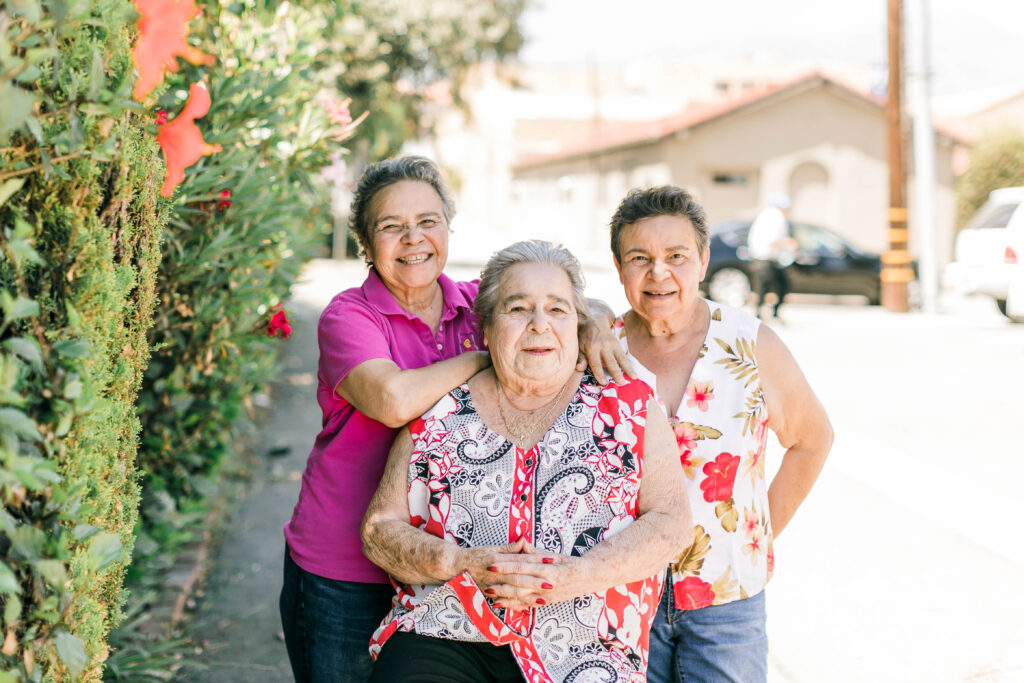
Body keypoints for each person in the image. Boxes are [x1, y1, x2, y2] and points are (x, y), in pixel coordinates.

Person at [279, 158, 634, 683]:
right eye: (391, 227)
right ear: (364, 242)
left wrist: (596, 322)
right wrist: (486, 354)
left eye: (428, 221)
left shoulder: (472, 303)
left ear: (448, 225)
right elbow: (395, 399)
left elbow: (557, 298)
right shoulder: (348, 316)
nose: (413, 239)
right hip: (345, 567)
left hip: (434, 568)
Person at [361, 240, 694, 683]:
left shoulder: (628, 406)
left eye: (557, 310)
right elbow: (380, 529)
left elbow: (671, 521)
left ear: (579, 326)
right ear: (485, 328)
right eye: (518, 309)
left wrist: (577, 575)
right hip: (449, 630)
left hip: (586, 646)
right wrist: (458, 563)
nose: (540, 325)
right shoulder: (439, 411)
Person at [607, 186, 833, 683]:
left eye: (676, 256)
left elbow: (812, 439)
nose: (658, 272)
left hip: (726, 604)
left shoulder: (750, 343)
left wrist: (757, 534)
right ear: (620, 268)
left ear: (704, 260)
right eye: (639, 258)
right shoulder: (603, 350)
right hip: (620, 598)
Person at [746, 193, 796, 319]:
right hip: (766, 258)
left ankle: (761, 313)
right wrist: (789, 243)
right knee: (776, 285)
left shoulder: (765, 214)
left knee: (764, 286)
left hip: (760, 257)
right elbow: (773, 239)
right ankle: (766, 313)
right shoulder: (776, 216)